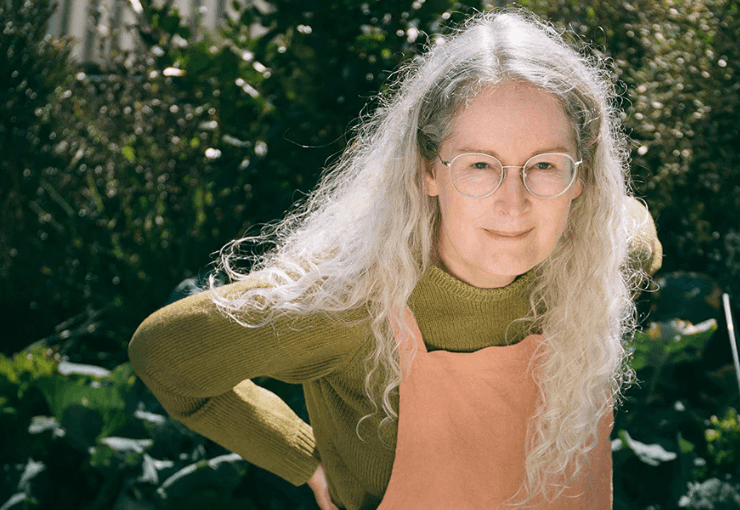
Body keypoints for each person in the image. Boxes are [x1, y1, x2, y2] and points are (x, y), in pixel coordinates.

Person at [129, 8, 662, 510]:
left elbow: (635, 227)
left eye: (544, 165)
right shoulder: (348, 304)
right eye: (479, 165)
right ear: (427, 171)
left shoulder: (604, 258)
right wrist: (302, 458)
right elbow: (164, 355)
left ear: (583, 177)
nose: (514, 202)